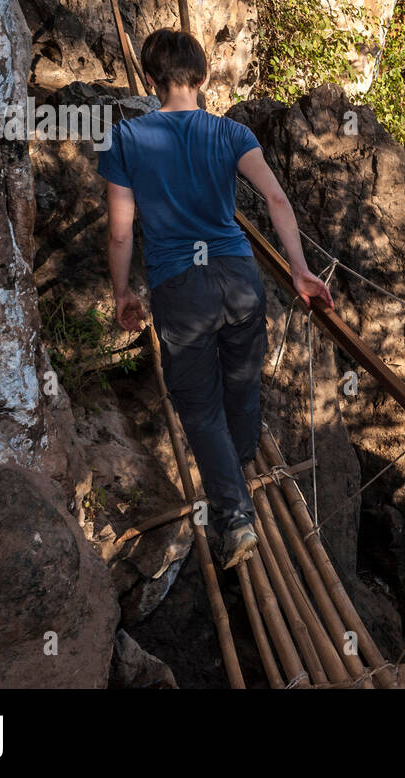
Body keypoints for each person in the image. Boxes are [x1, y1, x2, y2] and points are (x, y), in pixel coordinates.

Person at [97, 28, 334, 569]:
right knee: (242, 380)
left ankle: (234, 517)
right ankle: (243, 455)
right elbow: (275, 198)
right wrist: (299, 271)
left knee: (199, 409)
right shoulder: (230, 133)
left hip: (181, 288)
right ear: (203, 78)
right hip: (238, 276)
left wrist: (121, 294)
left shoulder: (127, 140)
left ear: (150, 81)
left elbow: (120, 233)